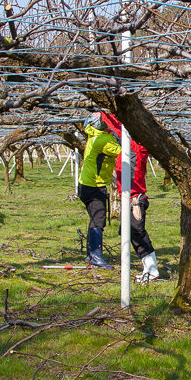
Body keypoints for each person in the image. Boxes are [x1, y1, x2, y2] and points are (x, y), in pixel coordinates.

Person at [102, 112, 159, 282]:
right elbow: (118, 131)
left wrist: (105, 115)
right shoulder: (126, 148)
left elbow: (119, 129)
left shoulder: (136, 147)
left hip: (136, 199)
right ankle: (148, 267)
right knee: (126, 231)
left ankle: (153, 271)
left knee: (136, 232)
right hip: (131, 198)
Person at [77, 114, 121, 268]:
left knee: (94, 219)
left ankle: (91, 255)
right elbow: (123, 151)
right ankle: (96, 257)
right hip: (94, 186)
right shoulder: (103, 140)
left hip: (86, 184)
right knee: (98, 220)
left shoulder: (93, 134)